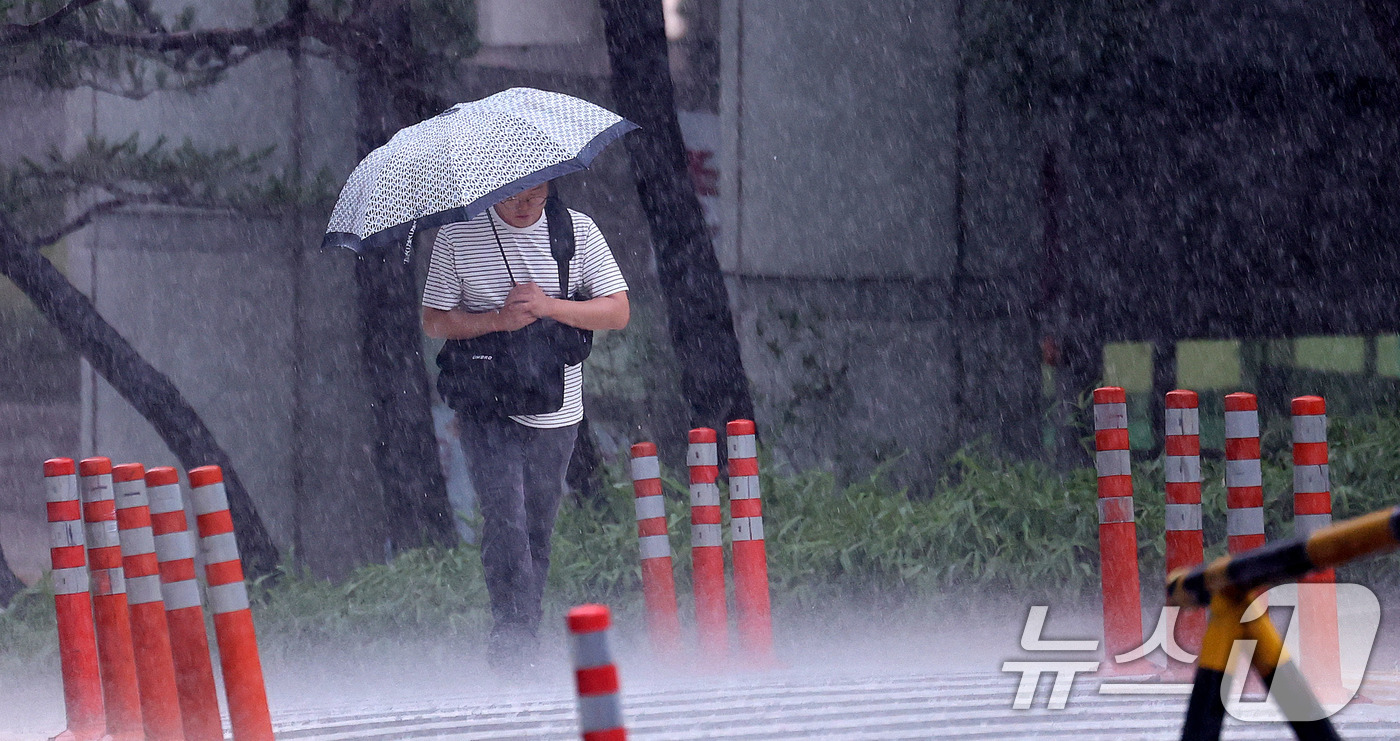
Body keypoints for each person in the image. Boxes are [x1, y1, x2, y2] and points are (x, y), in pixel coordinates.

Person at [420, 181, 629, 667]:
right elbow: (434, 320)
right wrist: (498, 319)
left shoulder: (575, 231)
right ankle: (513, 633)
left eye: (536, 196)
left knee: (537, 523)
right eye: (514, 196)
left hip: (557, 407)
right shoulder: (458, 236)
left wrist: (549, 307)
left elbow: (617, 311)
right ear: (491, 185)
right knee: (506, 517)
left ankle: (523, 630)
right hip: (486, 402)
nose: (525, 206)